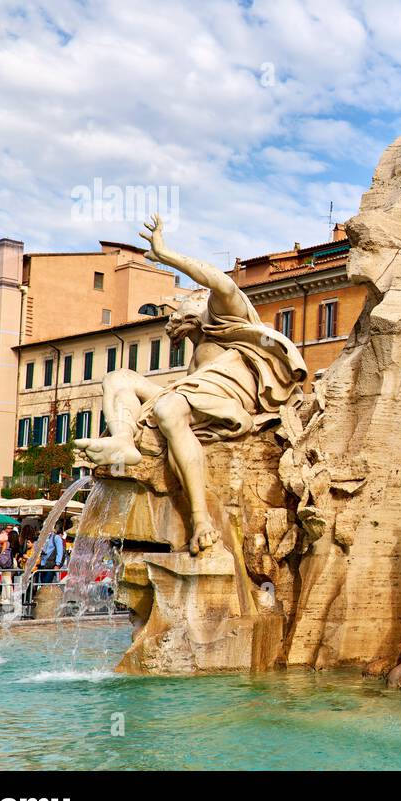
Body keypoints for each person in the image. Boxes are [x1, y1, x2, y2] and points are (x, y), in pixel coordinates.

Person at [75, 215, 307, 555]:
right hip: (195, 395)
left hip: (230, 398)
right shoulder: (197, 354)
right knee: (118, 377)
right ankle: (124, 441)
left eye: (184, 306)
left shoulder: (225, 316)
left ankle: (200, 520)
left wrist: (166, 255)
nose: (175, 314)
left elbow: (223, 284)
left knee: (169, 408)